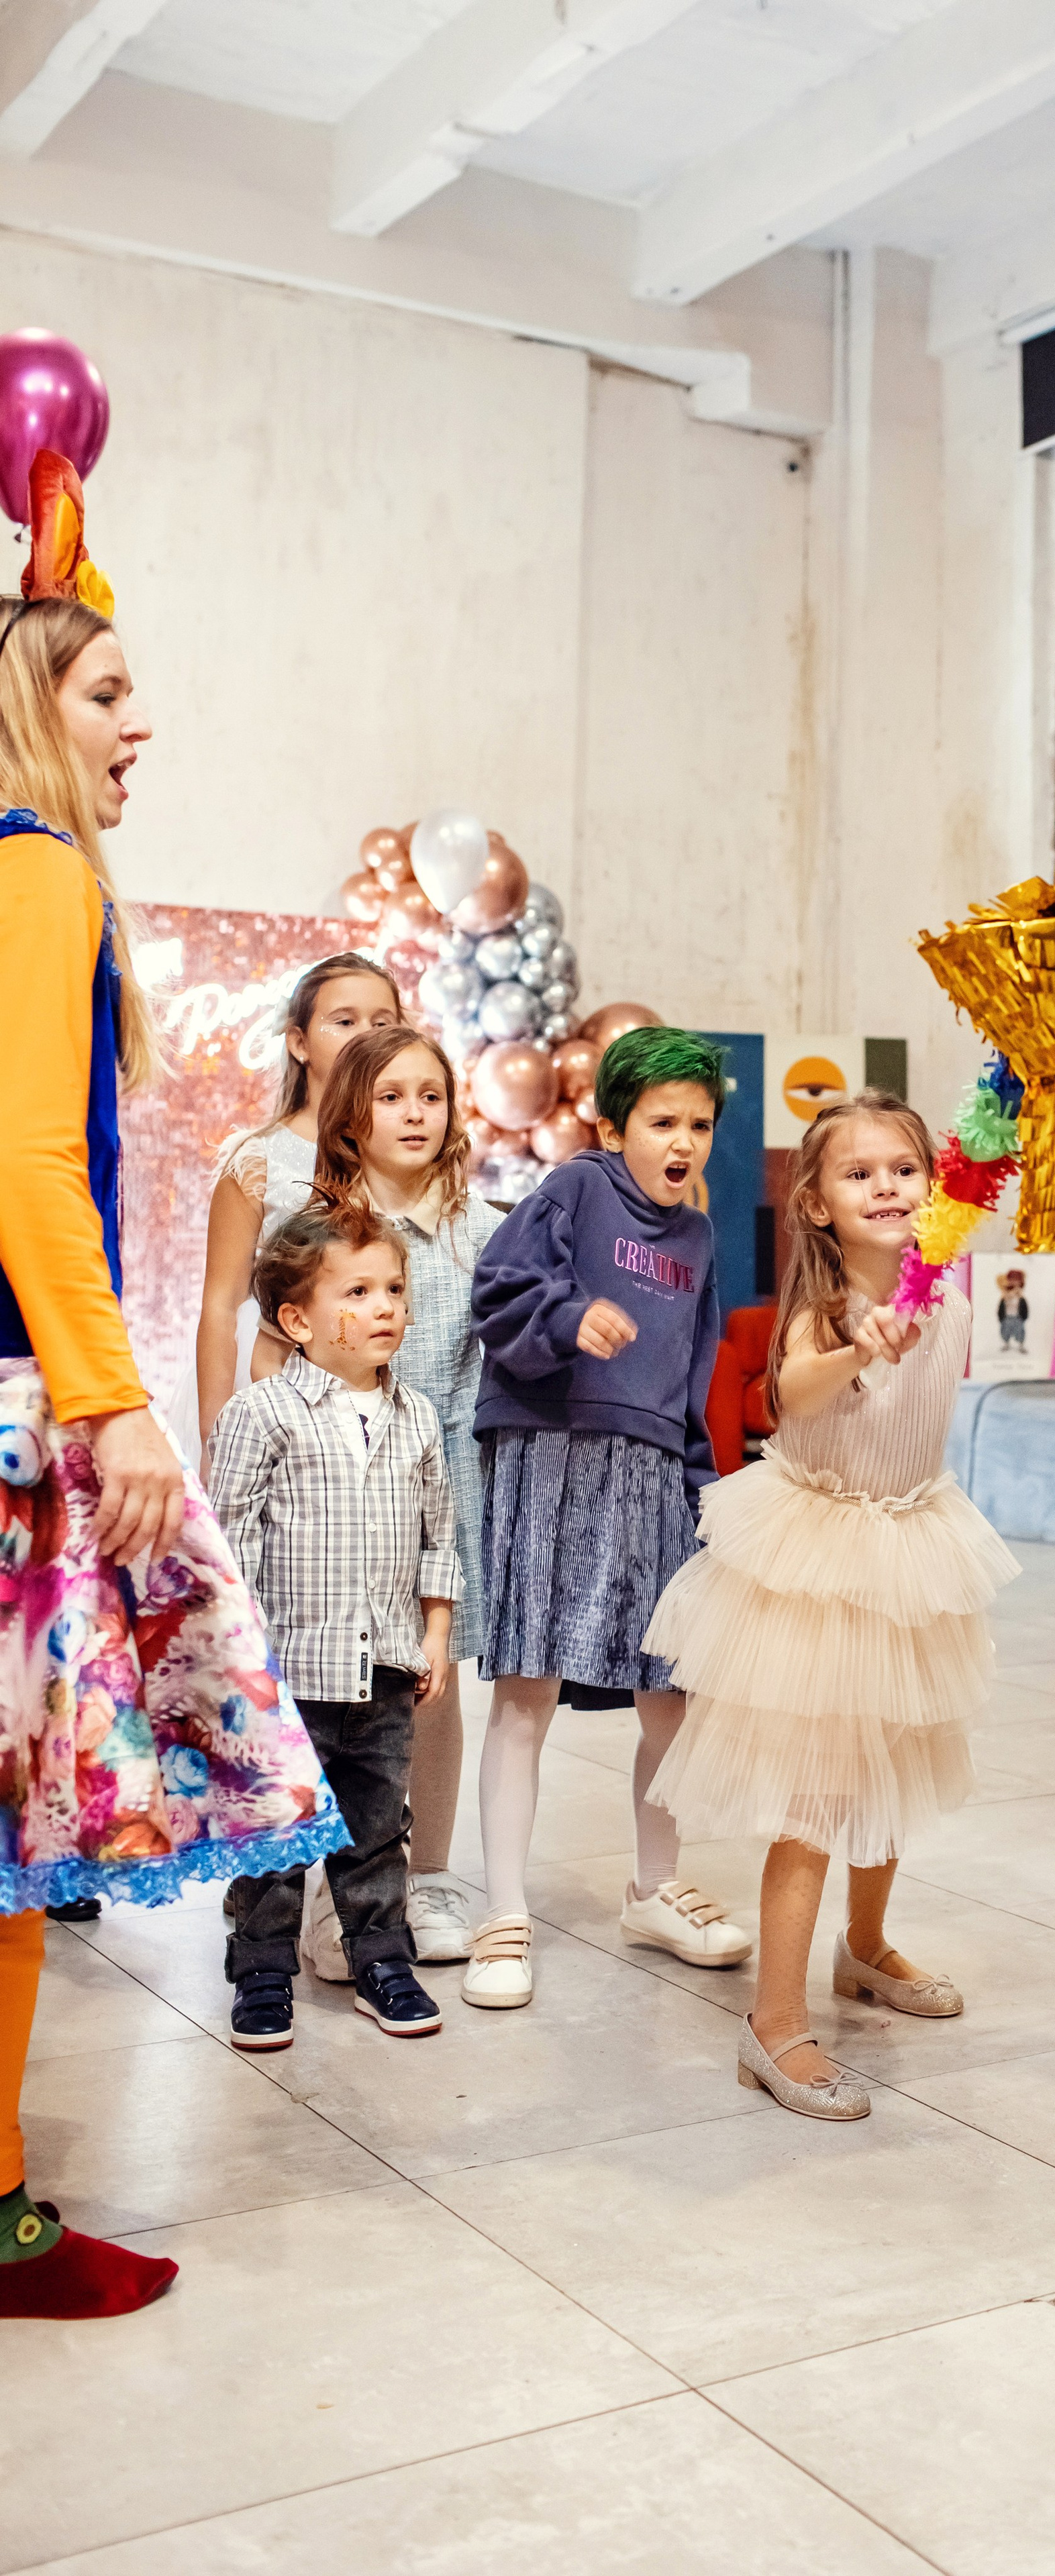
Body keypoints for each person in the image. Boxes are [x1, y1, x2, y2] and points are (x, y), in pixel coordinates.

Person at [0, 453, 348, 2317]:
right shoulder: (38, 868)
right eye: (111, 689)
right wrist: (111, 1400)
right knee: (32, 1816)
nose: (148, 721)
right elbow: (30, 1167)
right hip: (20, 1398)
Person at [644, 1091, 1019, 2118]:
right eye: (859, 1174)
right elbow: (792, 1394)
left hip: (912, 1538)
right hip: (820, 1550)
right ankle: (773, 2022)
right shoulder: (825, 1308)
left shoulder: (948, 1288)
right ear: (815, 1204)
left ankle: (863, 1948)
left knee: (890, 1761)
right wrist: (862, 1347)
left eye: (903, 1168)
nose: (886, 1186)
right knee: (813, 1801)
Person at [464, 1026, 750, 2006]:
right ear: (615, 1121)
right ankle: (504, 1909)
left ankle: (655, 1886)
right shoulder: (577, 1189)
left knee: (670, 1692)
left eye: (700, 1124)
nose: (683, 1142)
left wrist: (698, 1484)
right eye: (662, 1121)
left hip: (650, 1470)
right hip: (551, 1451)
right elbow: (498, 1288)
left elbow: (696, 1367)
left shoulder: (701, 1236)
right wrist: (566, 1318)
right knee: (527, 1685)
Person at [208, 1203, 458, 2051]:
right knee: (277, 1832)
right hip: (286, 1670)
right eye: (359, 1290)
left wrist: (435, 1633)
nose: (387, 1305)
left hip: (383, 1665)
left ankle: (381, 1959)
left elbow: (438, 1537)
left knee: (378, 1824)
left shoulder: (416, 1417)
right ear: (297, 1320)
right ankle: (263, 1969)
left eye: (394, 1287)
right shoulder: (265, 1413)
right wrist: (236, 1661)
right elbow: (230, 1537)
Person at [312, 1024, 503, 1966]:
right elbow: (278, 1356)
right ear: (351, 1117)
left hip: (449, 1480)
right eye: (391, 1097)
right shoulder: (313, 1230)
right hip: (338, 1480)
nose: (414, 1113)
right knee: (336, 1683)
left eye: (430, 1095)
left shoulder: (486, 1229)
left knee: (431, 1683)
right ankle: (333, 1883)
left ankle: (424, 1880)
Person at [181, 952, 403, 1458]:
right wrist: (219, 1438)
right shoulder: (260, 1158)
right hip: (278, 1378)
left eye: (381, 1022)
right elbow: (221, 1303)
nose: (365, 1035)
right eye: (343, 1021)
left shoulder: (410, 1152)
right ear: (300, 1042)